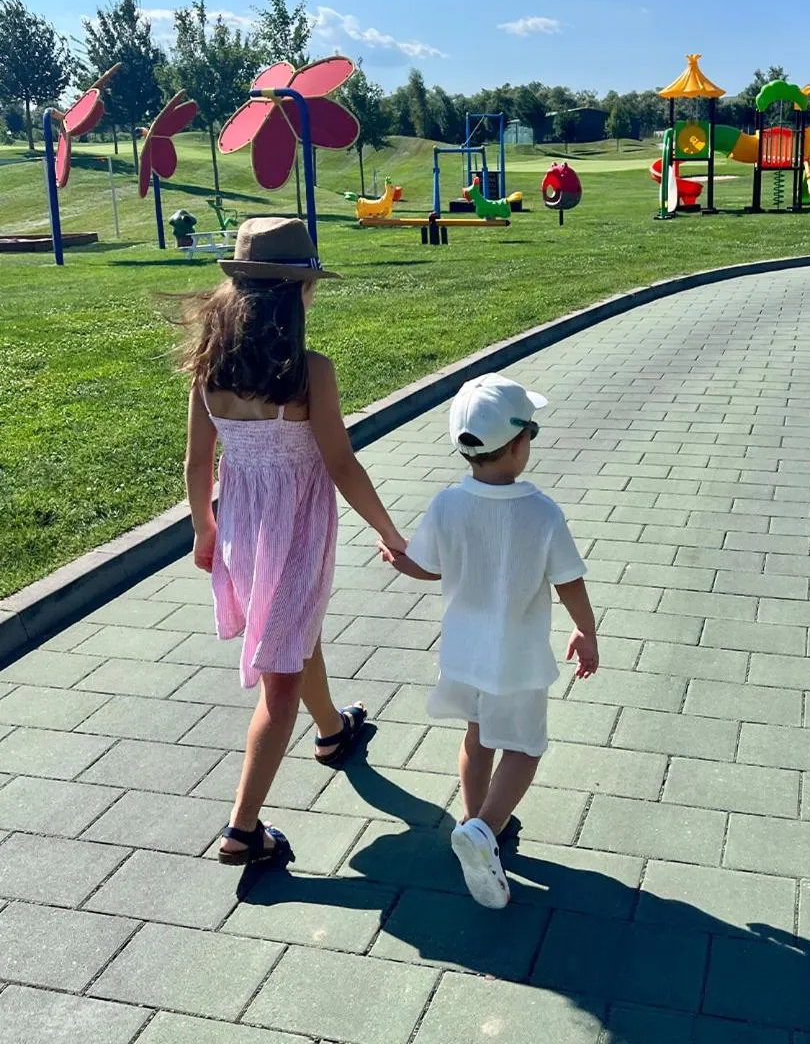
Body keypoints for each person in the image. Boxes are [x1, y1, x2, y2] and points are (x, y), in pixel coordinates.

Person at [180, 217, 405, 868]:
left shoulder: (209, 371)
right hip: (298, 528)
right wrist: (389, 531)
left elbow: (197, 464)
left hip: (241, 528)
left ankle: (333, 731)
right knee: (279, 680)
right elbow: (341, 464)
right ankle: (243, 830)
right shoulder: (311, 373)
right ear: (295, 294)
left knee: (293, 628)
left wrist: (204, 528)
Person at [380, 373, 598, 908]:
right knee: (524, 749)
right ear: (520, 444)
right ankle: (484, 831)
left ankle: (471, 819)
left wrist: (399, 559)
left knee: (478, 738)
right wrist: (586, 630)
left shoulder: (447, 504)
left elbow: (428, 566)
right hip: (516, 659)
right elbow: (568, 580)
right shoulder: (541, 512)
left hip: (463, 653)